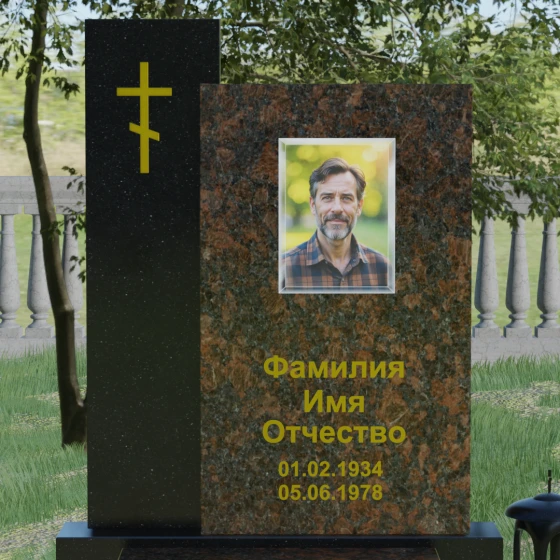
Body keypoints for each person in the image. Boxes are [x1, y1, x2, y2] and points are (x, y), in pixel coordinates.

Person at [281, 157, 389, 290]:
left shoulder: (384, 270)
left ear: (359, 206)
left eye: (346, 198)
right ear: (313, 205)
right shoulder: (283, 270)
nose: (337, 208)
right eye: (327, 197)